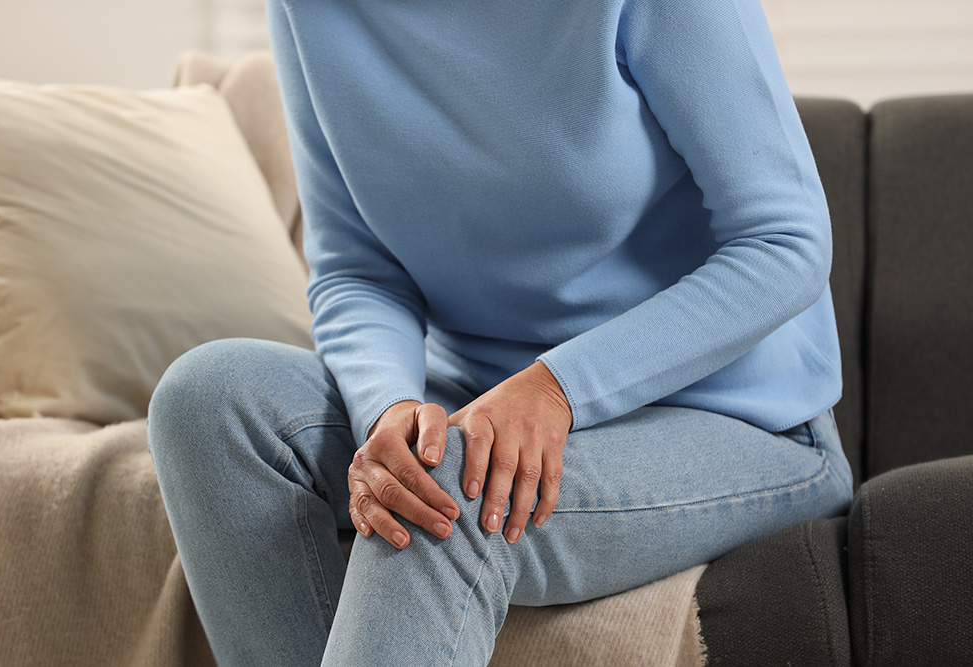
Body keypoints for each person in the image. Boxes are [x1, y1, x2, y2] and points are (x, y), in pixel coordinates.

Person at [147, 0, 855, 664]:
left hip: (734, 412)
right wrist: (387, 408)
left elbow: (783, 241)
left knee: (456, 484)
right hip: (475, 395)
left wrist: (556, 388)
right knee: (208, 402)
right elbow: (357, 269)